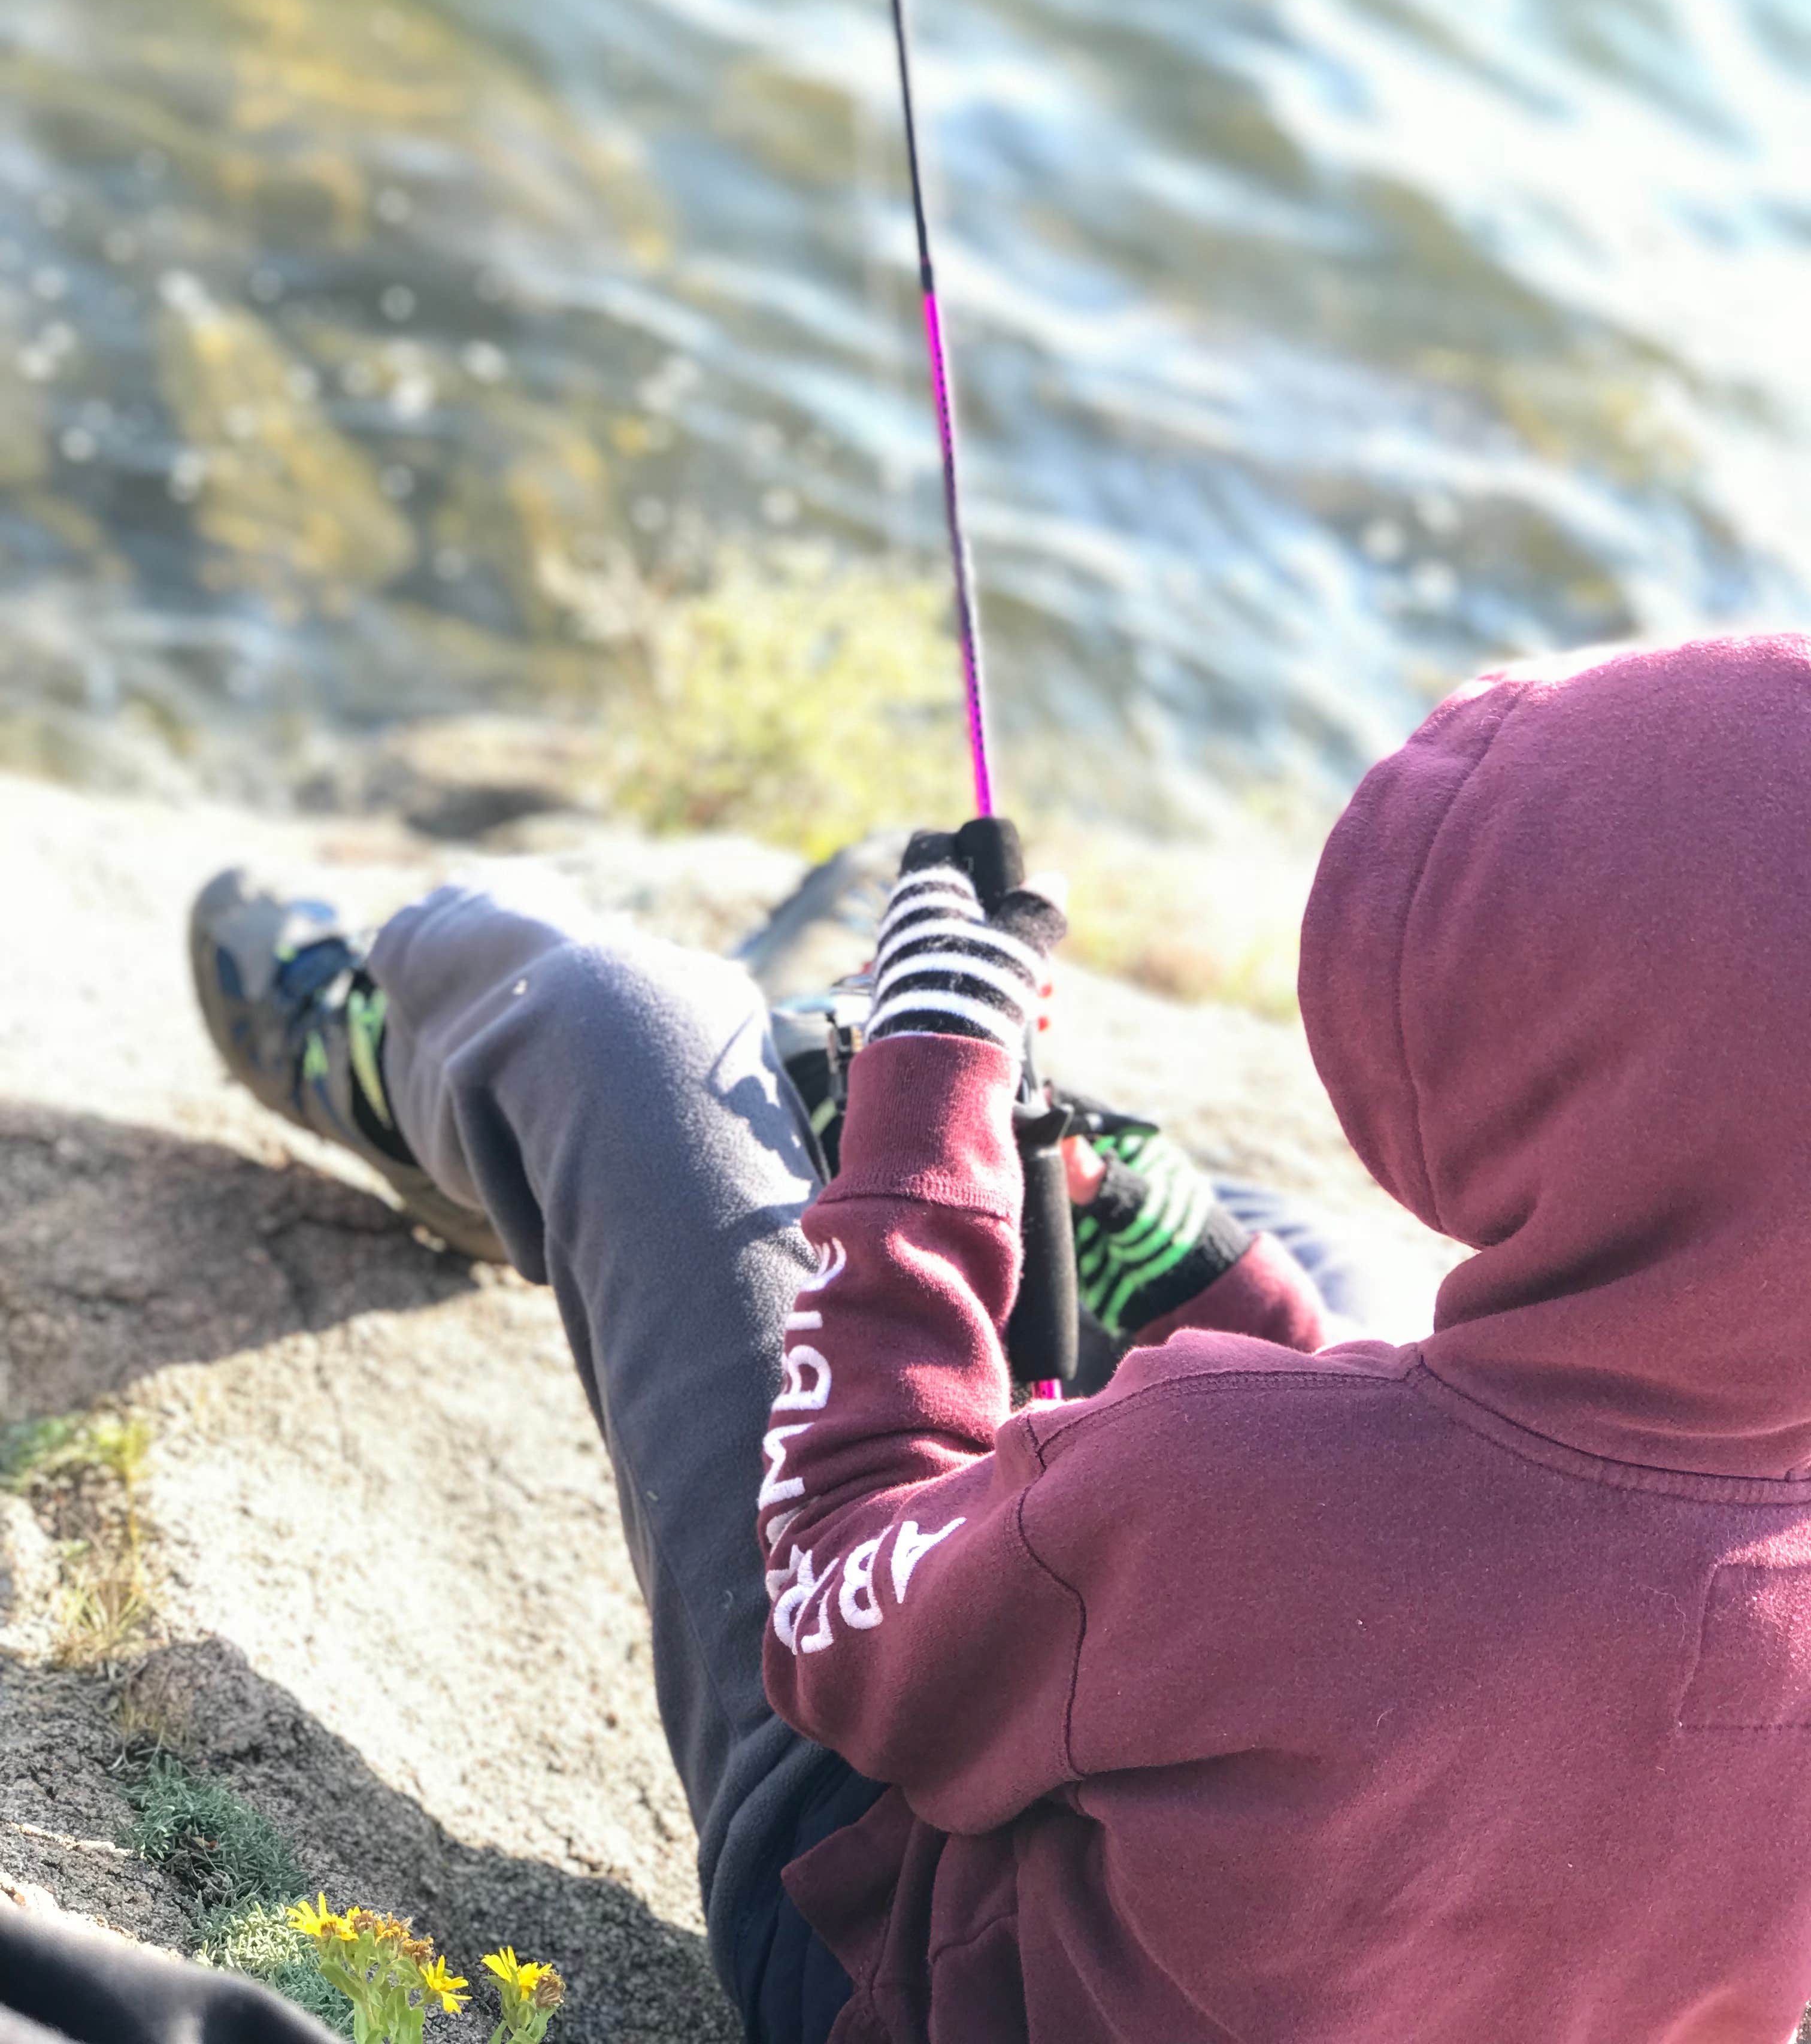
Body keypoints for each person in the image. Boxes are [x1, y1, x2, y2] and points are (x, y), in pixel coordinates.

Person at [13, 630, 1811, 2042]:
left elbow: (834, 1593)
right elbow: (1467, 1531)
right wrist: (1196, 1283)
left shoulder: (1239, 1492)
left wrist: (934, 1113)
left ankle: (393, 1044)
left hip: (876, 1965)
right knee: (1295, 1266)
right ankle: (905, 1136)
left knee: (622, 1016)